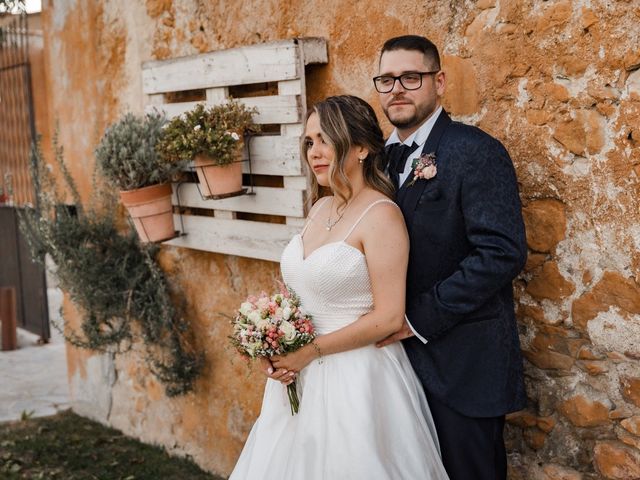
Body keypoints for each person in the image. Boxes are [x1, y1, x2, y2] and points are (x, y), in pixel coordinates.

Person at [229, 95, 449, 479]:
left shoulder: (381, 216)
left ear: (362, 147)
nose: (315, 152)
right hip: (301, 372)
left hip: (356, 378)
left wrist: (308, 352)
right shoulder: (318, 209)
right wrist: (275, 343)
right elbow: (306, 292)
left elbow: (389, 316)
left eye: (327, 139)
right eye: (310, 141)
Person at [374, 35, 527, 480]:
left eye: (410, 77)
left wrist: (416, 319)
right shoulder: (376, 162)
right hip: (392, 366)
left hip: (464, 366)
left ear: (438, 82)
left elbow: (501, 253)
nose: (397, 88)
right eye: (386, 79)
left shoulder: (476, 152)